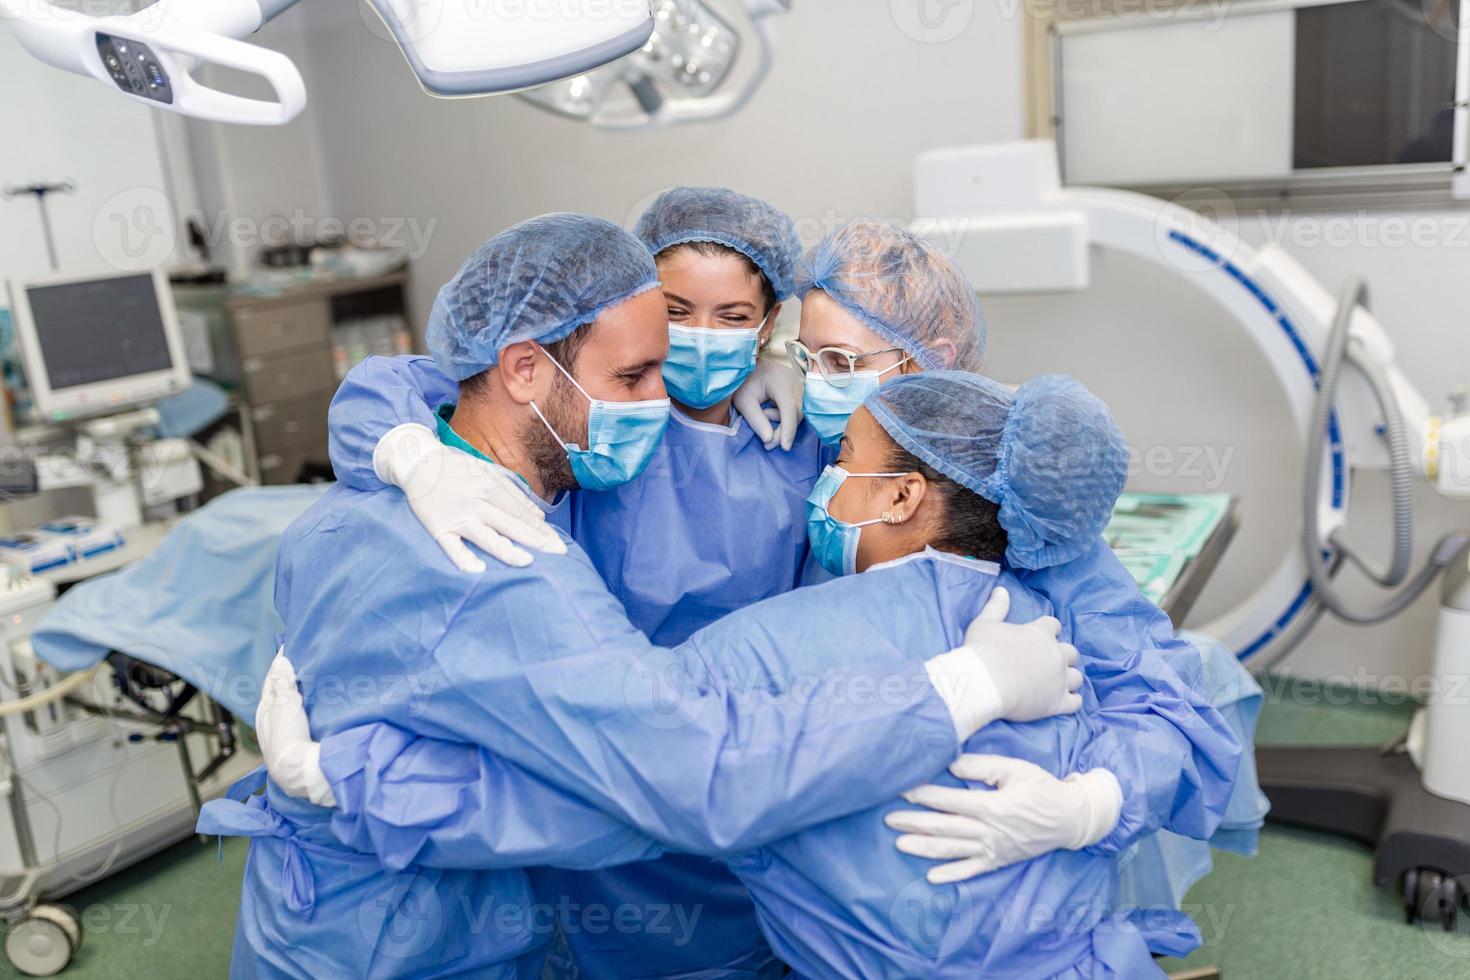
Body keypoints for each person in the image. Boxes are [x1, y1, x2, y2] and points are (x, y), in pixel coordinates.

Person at [198, 213, 1087, 979]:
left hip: (314, 920)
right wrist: (961, 688)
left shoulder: (354, 504)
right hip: (406, 945)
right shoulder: (513, 573)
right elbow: (701, 778)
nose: (663, 401)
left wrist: (355, 782)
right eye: (635, 376)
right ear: (522, 370)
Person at [261, 370, 1188, 977]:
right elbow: (1159, 733)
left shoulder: (766, 654)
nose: (820, 475)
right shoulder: (1042, 624)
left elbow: (594, 799)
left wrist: (350, 780)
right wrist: (1095, 804)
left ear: (905, 495)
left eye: (844, 459)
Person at [328, 187, 817, 978]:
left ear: (769, 322)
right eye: (675, 310)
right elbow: (398, 387)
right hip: (592, 774)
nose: (699, 339)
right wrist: (411, 458)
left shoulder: (799, 438)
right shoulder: (598, 423)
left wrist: (790, 364)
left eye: (734, 318)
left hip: (736, 772)